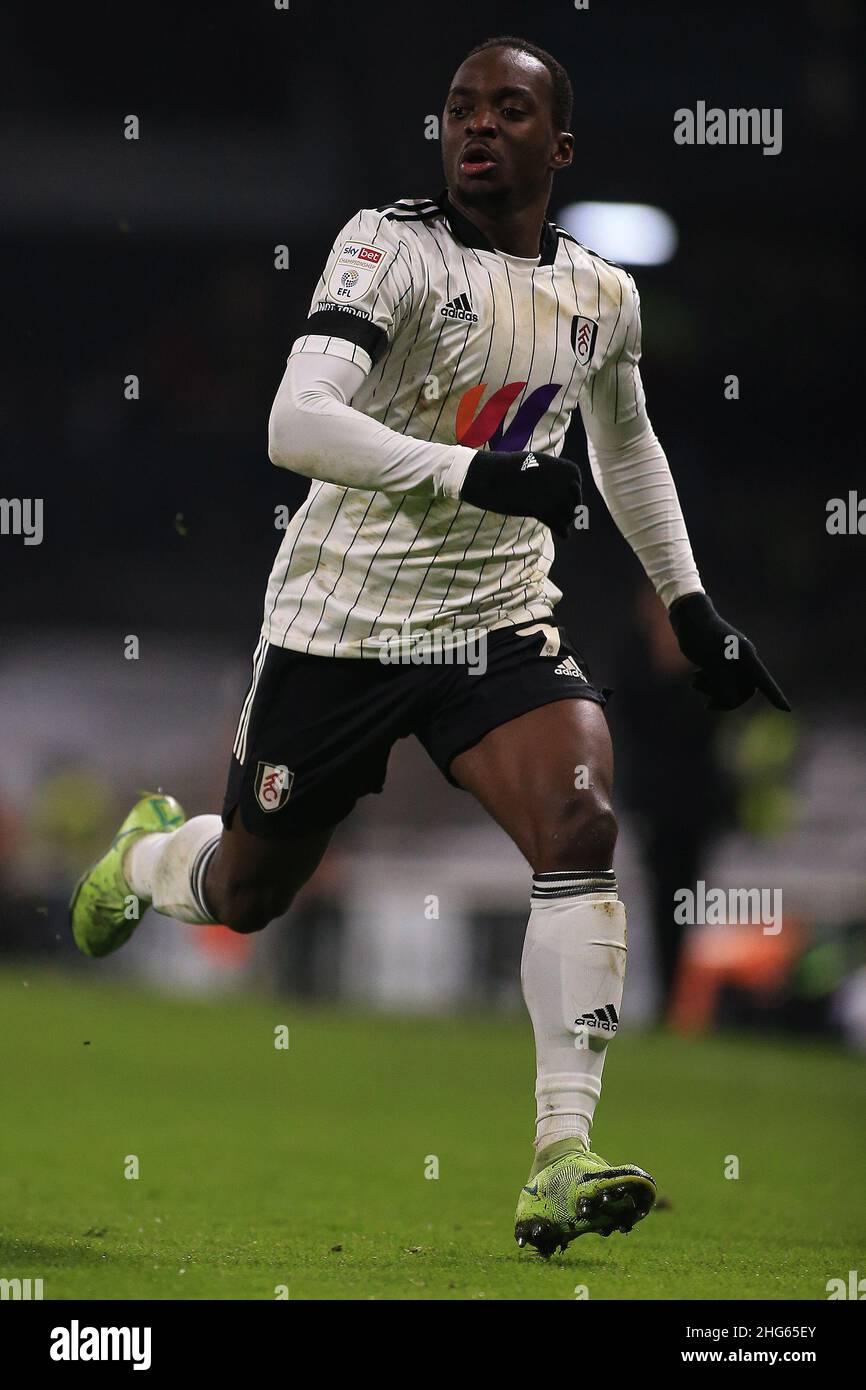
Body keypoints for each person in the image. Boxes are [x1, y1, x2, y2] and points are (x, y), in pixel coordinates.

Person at [70, 34, 789, 1258]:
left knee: (578, 823)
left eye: (507, 112)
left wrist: (687, 604)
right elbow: (295, 420)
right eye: (458, 110)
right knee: (249, 893)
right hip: (338, 621)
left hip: (493, 621)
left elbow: (626, 449)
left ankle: (559, 1155)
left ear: (556, 147)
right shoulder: (385, 246)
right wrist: (470, 472)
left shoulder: (597, 297)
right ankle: (149, 857)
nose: (474, 130)